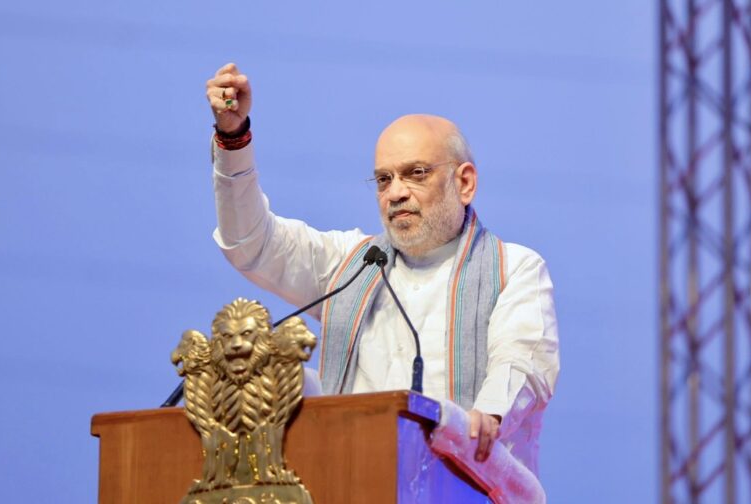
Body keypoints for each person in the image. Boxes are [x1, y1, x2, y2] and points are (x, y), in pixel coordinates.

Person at [205, 63, 559, 472]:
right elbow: (251, 243)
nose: (396, 193)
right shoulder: (353, 266)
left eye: (416, 174)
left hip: (464, 486)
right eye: (384, 180)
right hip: (351, 483)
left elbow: (522, 361)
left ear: (464, 183)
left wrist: (487, 416)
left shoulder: (513, 268)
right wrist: (233, 138)